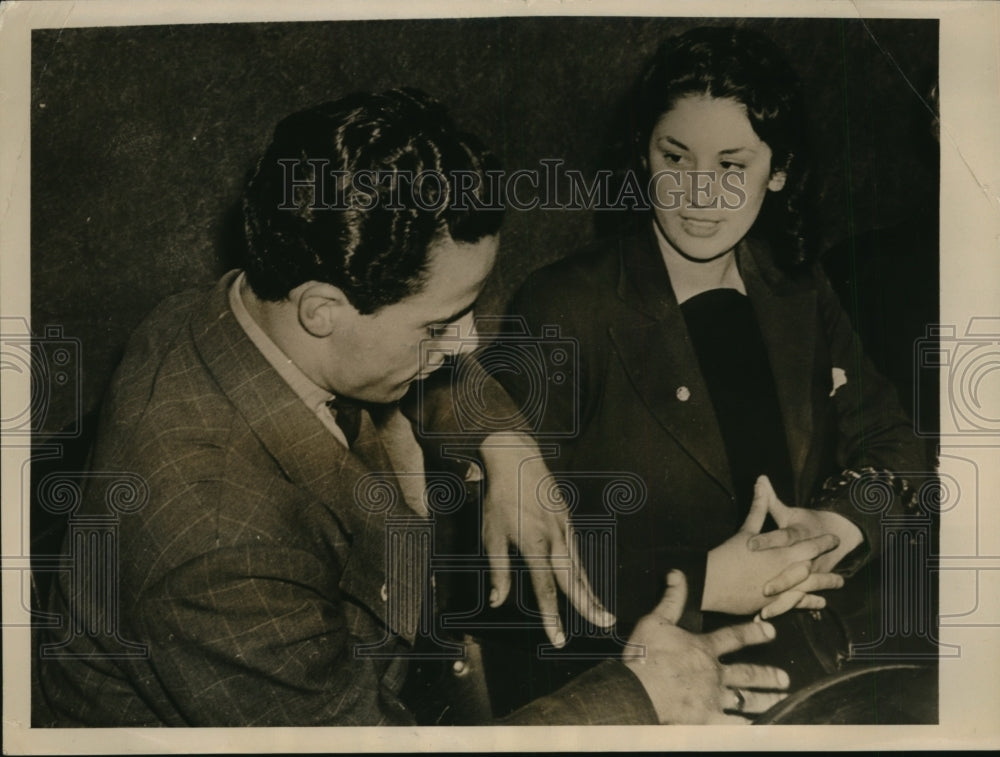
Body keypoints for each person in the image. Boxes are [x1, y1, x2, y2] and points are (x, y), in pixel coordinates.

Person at [36, 88, 792, 726]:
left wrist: (506, 443)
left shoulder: (244, 299)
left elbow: (414, 365)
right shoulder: (219, 549)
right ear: (323, 309)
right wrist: (640, 697)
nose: (465, 344)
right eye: (438, 326)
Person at [487, 26, 927, 700]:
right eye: (676, 158)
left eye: (732, 165)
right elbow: (516, 555)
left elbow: (898, 448)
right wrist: (698, 579)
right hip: (639, 677)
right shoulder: (566, 304)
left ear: (777, 171)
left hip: (808, 656)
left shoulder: (797, 288)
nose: (700, 194)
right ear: (643, 154)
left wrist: (835, 528)